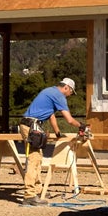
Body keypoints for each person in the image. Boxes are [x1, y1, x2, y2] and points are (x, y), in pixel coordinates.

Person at [18, 77, 87, 206]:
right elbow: (69, 120)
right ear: (66, 87)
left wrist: (58, 133)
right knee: (33, 159)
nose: (69, 95)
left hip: (29, 124)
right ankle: (29, 195)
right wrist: (81, 126)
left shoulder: (50, 91)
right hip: (31, 125)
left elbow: (51, 116)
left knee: (38, 157)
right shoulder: (59, 96)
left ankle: (38, 190)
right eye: (70, 92)